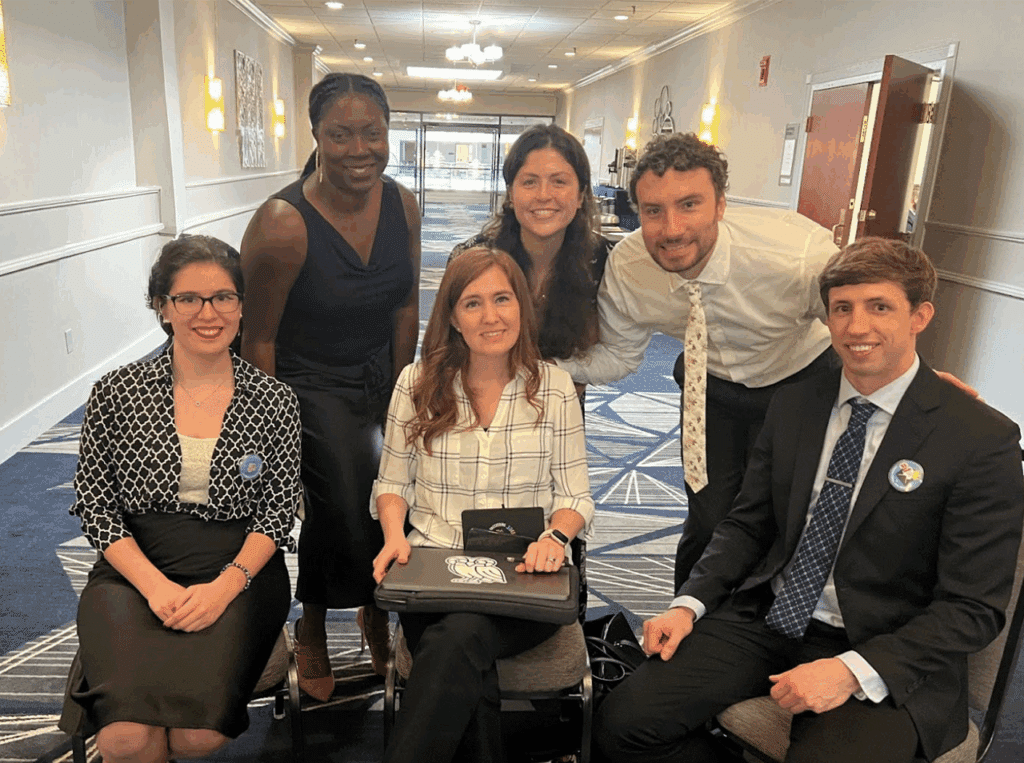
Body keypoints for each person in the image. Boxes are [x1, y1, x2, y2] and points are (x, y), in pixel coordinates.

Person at [593, 237, 1024, 763]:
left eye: (879, 307)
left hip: (886, 645)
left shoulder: (980, 439)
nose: (856, 327)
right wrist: (689, 603)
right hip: (772, 617)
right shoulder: (796, 404)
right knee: (622, 725)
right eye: (842, 308)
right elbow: (747, 526)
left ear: (920, 316)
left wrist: (851, 671)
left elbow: (973, 609)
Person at [557, 132, 970, 591]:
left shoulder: (796, 255)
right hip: (708, 387)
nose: (671, 229)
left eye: (689, 205)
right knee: (709, 518)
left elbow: (861, 325)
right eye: (654, 210)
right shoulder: (631, 267)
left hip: (801, 381)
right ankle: (691, 619)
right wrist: (532, 366)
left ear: (721, 205)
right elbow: (618, 355)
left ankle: (773, 617)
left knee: (787, 515)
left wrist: (915, 382)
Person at [69, 235, 301, 763]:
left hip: (239, 571)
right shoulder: (116, 392)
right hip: (135, 570)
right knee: (125, 740)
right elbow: (96, 504)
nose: (208, 313)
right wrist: (153, 586)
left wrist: (222, 590)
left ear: (241, 306)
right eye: (188, 298)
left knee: (199, 735)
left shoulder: (275, 401)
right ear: (162, 307)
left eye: (223, 297)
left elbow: (277, 510)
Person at [370, 247, 594, 763]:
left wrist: (556, 536)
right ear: (452, 316)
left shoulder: (555, 388)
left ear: (521, 306)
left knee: (457, 641)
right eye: (472, 303)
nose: (491, 316)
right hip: (433, 575)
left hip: (525, 580)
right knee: (461, 644)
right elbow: (392, 482)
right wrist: (394, 534)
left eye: (502, 299)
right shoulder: (416, 383)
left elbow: (575, 495)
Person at [240, 72, 420, 698]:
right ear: (316, 135)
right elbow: (257, 338)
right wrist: (269, 427)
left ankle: (377, 609)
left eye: (373, 133)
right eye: (341, 135)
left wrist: (404, 392)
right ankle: (312, 620)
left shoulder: (402, 204)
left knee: (400, 487)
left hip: (379, 372)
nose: (359, 149)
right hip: (305, 380)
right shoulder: (283, 223)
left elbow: (405, 304)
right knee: (343, 493)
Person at [450, 124, 610, 400]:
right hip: (481, 400)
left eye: (559, 182)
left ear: (581, 195)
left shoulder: (603, 260)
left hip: (562, 404)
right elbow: (448, 349)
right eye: (529, 182)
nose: (544, 195)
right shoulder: (471, 258)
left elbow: (611, 353)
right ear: (511, 194)